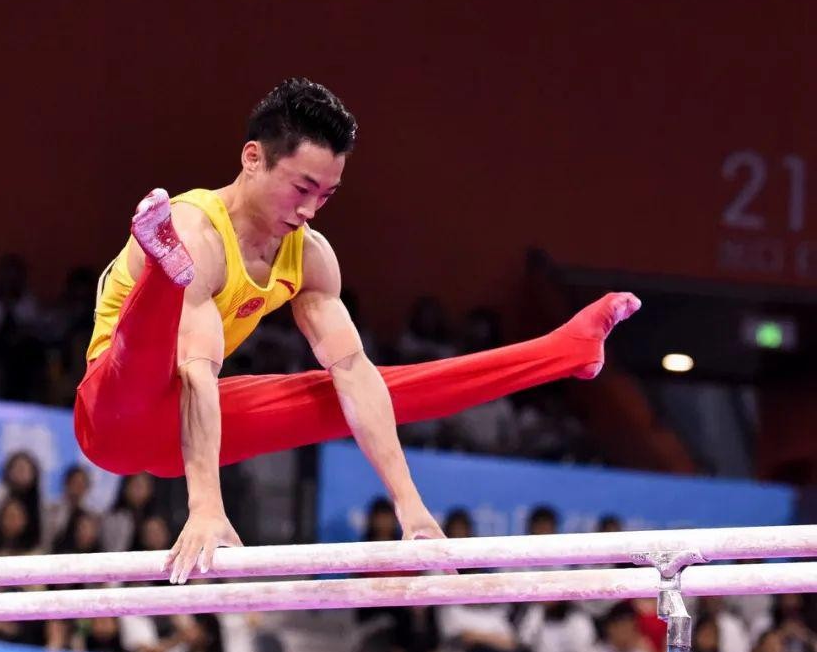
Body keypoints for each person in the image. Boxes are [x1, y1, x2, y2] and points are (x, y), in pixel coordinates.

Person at [74, 78, 641, 584]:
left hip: (185, 431)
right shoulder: (200, 229)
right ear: (253, 157)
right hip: (111, 413)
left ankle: (563, 351)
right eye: (302, 188)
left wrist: (411, 510)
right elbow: (197, 370)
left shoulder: (311, 257)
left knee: (366, 386)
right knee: (156, 331)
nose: (312, 209)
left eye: (327, 194)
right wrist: (205, 509)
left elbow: (355, 376)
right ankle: (159, 262)